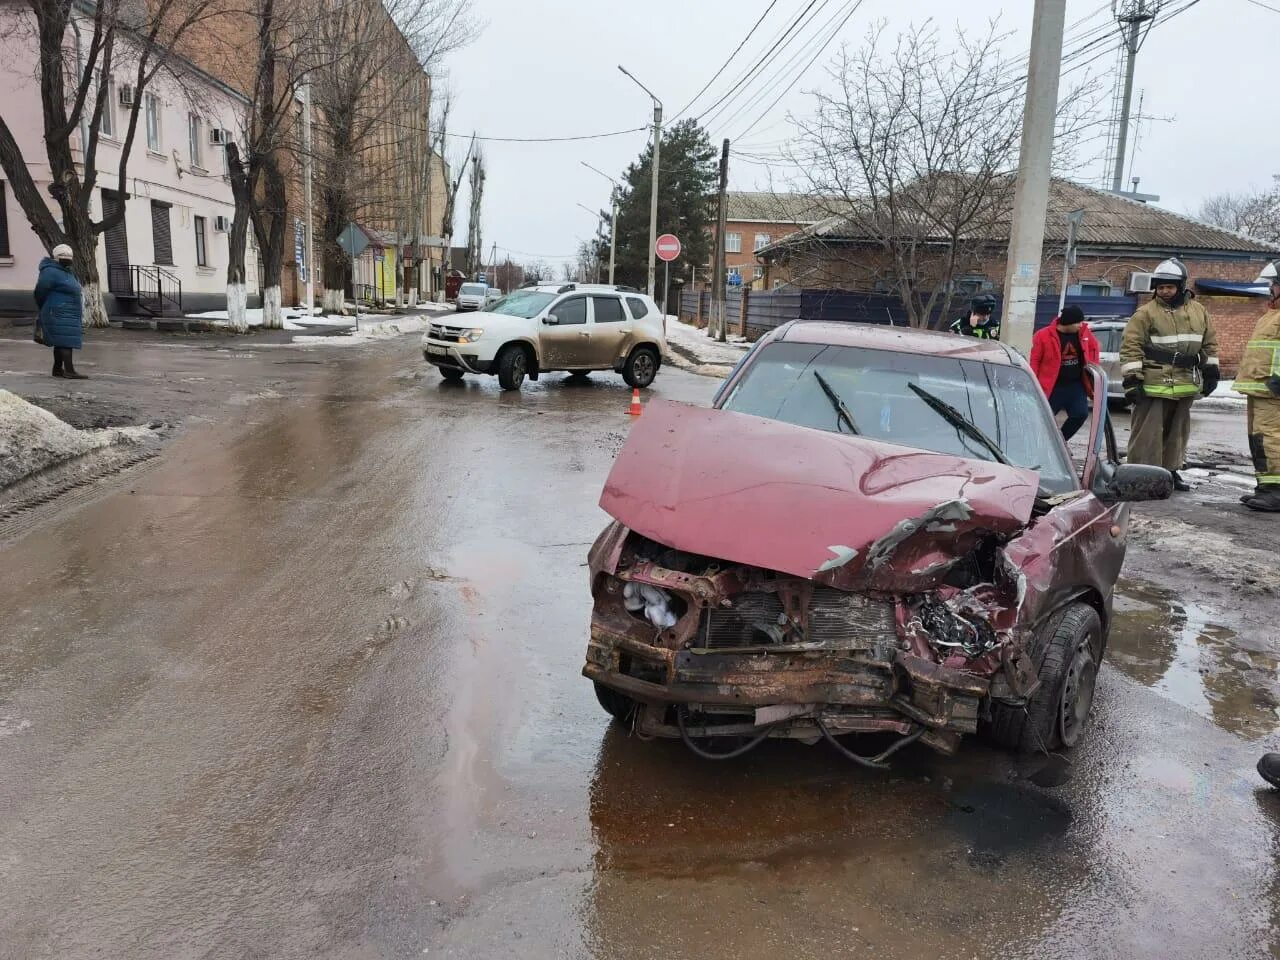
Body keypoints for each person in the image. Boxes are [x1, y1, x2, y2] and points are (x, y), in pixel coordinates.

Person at [1119, 257, 1218, 491]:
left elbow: (1209, 343)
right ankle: (1141, 476)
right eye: (1160, 287)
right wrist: (1133, 381)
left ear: (1181, 286)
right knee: (1148, 435)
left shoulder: (1198, 311)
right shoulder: (1145, 313)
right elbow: (1131, 346)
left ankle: (1170, 473)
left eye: (1169, 287)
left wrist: (1211, 370)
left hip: (1184, 383)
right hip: (1153, 382)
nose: (1164, 291)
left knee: (1177, 433)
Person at [1234, 260, 1280, 512]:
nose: (1271, 288)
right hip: (1260, 389)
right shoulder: (1271, 314)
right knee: (1259, 440)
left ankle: (1276, 491)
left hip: (1273, 391)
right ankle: (1265, 486)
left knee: (1271, 440)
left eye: (1275, 283)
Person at [1030, 305, 1101, 441]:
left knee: (1080, 414)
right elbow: (1035, 360)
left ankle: (1060, 443)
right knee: (1042, 419)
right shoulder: (1043, 335)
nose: (1081, 325)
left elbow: (1093, 348)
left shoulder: (1084, 333)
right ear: (1068, 322)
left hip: (1075, 385)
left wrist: (1092, 373)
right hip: (1052, 386)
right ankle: (1038, 445)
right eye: (1078, 322)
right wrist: (1034, 383)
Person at [33, 244, 87, 379]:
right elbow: (40, 290)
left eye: (69, 257)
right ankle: (69, 370)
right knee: (65, 341)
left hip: (68, 311)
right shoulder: (50, 271)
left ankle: (57, 370)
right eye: (64, 257)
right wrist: (45, 306)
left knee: (61, 341)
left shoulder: (66, 271)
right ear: (56, 258)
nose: (67, 260)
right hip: (57, 311)